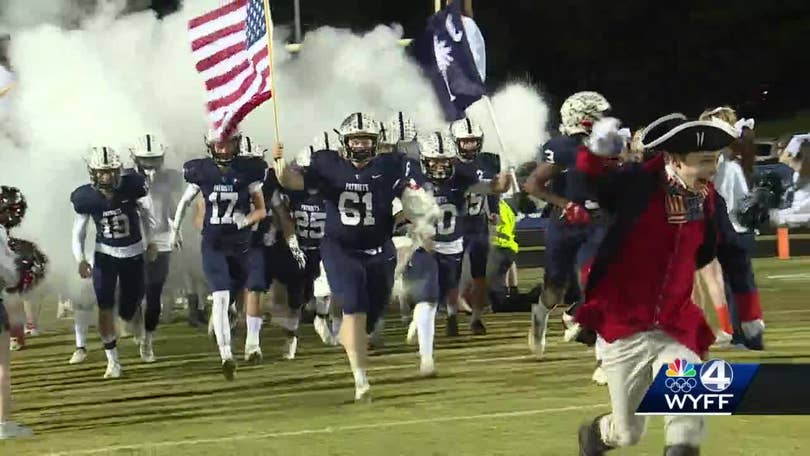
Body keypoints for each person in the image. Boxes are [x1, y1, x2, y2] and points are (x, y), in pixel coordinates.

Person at [574, 116, 762, 456]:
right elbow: (596, 186)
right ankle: (595, 435)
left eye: (716, 159)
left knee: (686, 422)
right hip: (623, 327)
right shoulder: (636, 184)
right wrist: (596, 154)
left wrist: (749, 313)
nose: (713, 168)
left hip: (676, 326)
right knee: (627, 433)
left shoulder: (709, 201)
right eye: (704, 161)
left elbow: (733, 254)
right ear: (674, 161)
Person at [274, 112, 438, 402]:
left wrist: (420, 209)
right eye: (356, 140)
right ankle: (361, 381)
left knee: (371, 318)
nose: (361, 145)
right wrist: (279, 164)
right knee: (354, 310)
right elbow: (292, 181)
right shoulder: (328, 164)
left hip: (380, 250)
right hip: (341, 249)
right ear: (345, 142)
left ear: (376, 143)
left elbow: (407, 193)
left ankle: (347, 336)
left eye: (366, 140)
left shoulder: (390, 165)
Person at [402, 131, 509, 375]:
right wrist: (414, 226)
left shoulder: (461, 177)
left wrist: (506, 170)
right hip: (424, 243)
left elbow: (496, 187)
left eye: (445, 161)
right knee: (427, 296)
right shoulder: (414, 179)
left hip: (452, 243)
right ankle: (426, 357)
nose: (440, 166)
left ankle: (420, 323)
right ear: (424, 160)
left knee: (445, 291)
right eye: (435, 161)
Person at [169, 129, 267, 380]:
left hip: (241, 243)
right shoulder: (201, 172)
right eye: (218, 145)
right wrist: (175, 231)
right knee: (221, 297)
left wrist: (243, 222)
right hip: (214, 242)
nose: (223, 150)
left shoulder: (249, 170)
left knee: (244, 291)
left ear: (236, 144)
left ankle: (246, 342)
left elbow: (261, 210)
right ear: (210, 145)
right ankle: (226, 355)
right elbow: (184, 202)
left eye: (228, 145)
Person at [524, 91, 612, 360]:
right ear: (584, 119)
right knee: (554, 289)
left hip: (597, 224)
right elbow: (532, 185)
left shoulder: (609, 145)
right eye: (599, 115)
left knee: (597, 284)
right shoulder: (562, 147)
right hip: (565, 224)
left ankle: (601, 354)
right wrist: (565, 204)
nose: (605, 120)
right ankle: (540, 317)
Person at [71, 146, 157, 378]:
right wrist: (80, 259)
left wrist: (151, 242)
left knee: (130, 305)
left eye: (111, 171)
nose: (107, 176)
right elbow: (78, 231)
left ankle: (128, 321)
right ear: (93, 173)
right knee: (104, 306)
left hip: (133, 253)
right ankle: (113, 361)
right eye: (102, 172)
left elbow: (149, 217)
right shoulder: (86, 197)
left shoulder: (133, 187)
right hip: (105, 255)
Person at [129, 133, 184, 362]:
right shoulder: (125, 179)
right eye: (145, 160)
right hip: (133, 240)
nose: (150, 165)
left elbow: (170, 207)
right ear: (135, 158)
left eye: (154, 160)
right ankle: (135, 324)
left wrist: (176, 230)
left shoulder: (168, 178)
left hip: (161, 238)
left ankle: (148, 340)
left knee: (154, 292)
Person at [451, 116, 501, 335]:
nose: (470, 145)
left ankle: (476, 319)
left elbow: (492, 190)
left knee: (480, 275)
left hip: (478, 223)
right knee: (452, 274)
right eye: (465, 141)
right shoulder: (449, 163)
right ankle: (452, 315)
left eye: (473, 141)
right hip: (455, 224)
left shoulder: (487, 162)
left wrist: (495, 210)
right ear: (456, 141)